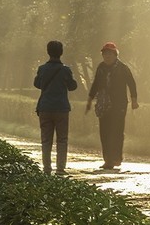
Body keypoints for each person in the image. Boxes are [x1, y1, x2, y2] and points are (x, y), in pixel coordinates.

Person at [85, 41, 138, 170]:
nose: (107, 56)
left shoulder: (123, 68)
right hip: (103, 105)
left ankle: (116, 158)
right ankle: (108, 160)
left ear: (115, 55)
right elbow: (96, 84)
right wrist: (90, 100)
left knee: (117, 131)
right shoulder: (101, 68)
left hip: (119, 104)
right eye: (105, 54)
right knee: (104, 131)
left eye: (109, 54)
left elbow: (131, 83)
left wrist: (134, 100)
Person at [34, 40, 78, 174]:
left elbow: (37, 84)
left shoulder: (42, 69)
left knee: (46, 140)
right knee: (62, 139)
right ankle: (60, 168)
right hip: (61, 108)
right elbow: (72, 87)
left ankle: (47, 168)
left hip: (45, 107)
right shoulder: (65, 70)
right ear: (61, 52)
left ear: (48, 52)